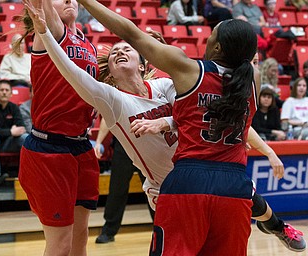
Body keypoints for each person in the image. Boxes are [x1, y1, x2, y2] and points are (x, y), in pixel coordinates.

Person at [23, 1, 307, 252]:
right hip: (185, 181)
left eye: (127, 50)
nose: (121, 52)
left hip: (189, 179)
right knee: (247, 196)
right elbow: (74, 73)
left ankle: (276, 225)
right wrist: (45, 34)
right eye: (114, 53)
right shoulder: (112, 99)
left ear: (145, 63)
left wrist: (166, 121)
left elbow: (206, 112)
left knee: (251, 199)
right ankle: (276, 224)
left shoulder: (172, 82)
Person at [15, 0, 101, 255]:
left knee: (79, 240)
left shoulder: (89, 43)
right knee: (60, 244)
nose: (69, 0)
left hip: (81, 145)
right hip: (49, 147)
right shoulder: (51, 31)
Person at [94, 119, 154, 243]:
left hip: (149, 143)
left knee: (154, 188)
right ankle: (108, 230)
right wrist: (99, 141)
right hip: (124, 144)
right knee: (117, 188)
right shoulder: (120, 98)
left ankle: (160, 227)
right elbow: (107, 116)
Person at [0, 80, 28, 192]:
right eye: (1, 90)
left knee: (24, 137)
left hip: (8, 143)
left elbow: (21, 128)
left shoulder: (14, 108)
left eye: (7, 90)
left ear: (11, 93)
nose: (4, 92)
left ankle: (29, 174)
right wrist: (10, 132)